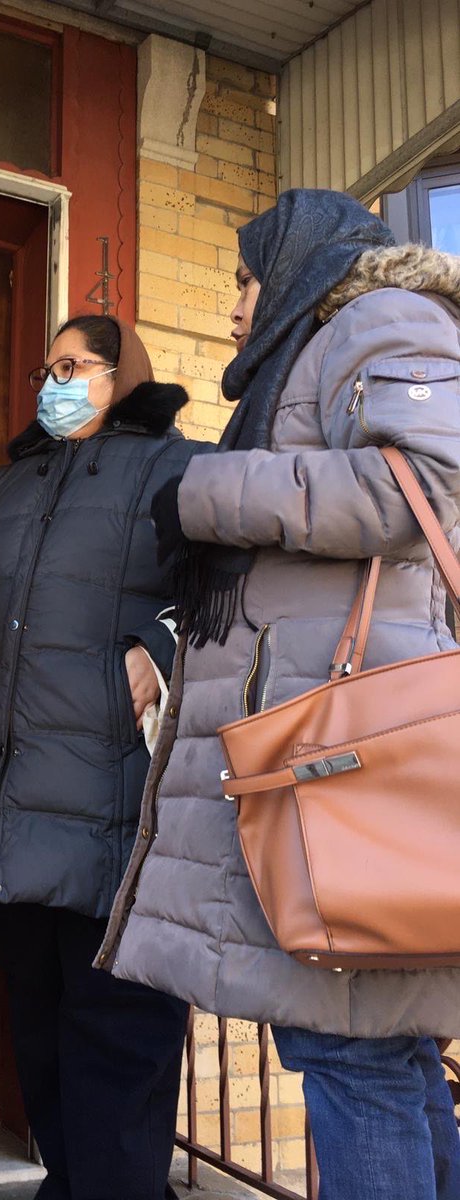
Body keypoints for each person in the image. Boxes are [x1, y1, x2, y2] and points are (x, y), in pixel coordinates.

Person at [99, 190, 460, 1200]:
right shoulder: (331, 343)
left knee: (353, 1057)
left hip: (351, 758)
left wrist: (210, 490)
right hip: (331, 749)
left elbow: (425, 488)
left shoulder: (383, 320)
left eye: (246, 281)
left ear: (301, 265)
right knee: (381, 1054)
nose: (232, 309)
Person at [0, 314, 209, 1200]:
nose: (54, 381)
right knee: (38, 1026)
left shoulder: (173, 466)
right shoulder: (7, 486)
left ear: (125, 377)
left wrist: (155, 648)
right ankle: (71, 1184)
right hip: (8, 794)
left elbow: (225, 584)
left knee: (120, 1030)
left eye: (74, 366)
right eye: (48, 367)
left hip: (115, 791)